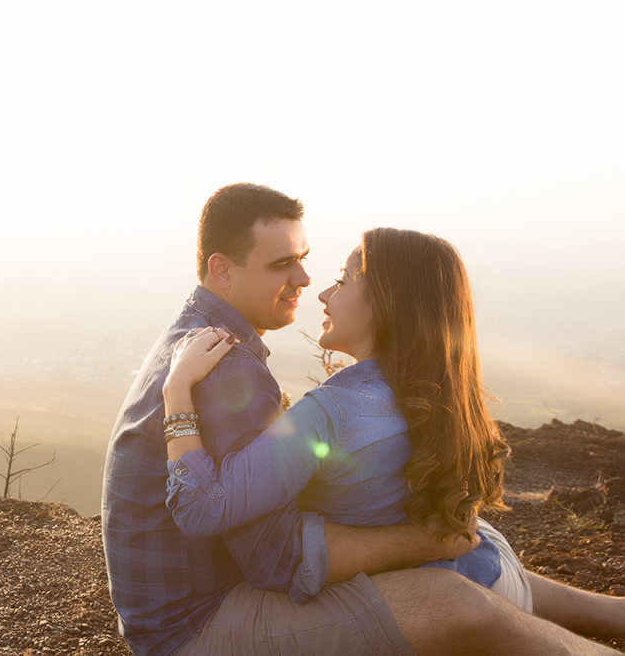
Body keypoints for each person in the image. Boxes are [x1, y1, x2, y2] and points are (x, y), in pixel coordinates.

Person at [101, 182, 624, 656]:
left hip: (204, 596)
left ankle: (611, 615)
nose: (306, 280)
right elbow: (274, 556)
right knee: (443, 593)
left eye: (304, 260)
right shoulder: (227, 366)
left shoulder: (199, 335)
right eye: (282, 264)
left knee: (450, 532)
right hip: (194, 625)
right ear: (222, 270)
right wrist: (423, 542)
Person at [160, 229, 529, 610]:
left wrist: (176, 389)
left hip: (451, 606)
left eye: (342, 281)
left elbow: (200, 510)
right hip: (489, 574)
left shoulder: (332, 412)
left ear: (386, 303)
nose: (323, 294)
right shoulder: (445, 395)